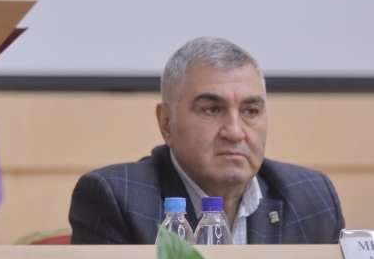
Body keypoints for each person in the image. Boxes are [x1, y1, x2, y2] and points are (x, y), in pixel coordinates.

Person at [68, 36, 344, 245]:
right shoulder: (118, 198)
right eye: (212, 110)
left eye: (250, 111)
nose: (235, 132)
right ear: (166, 123)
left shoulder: (311, 198)